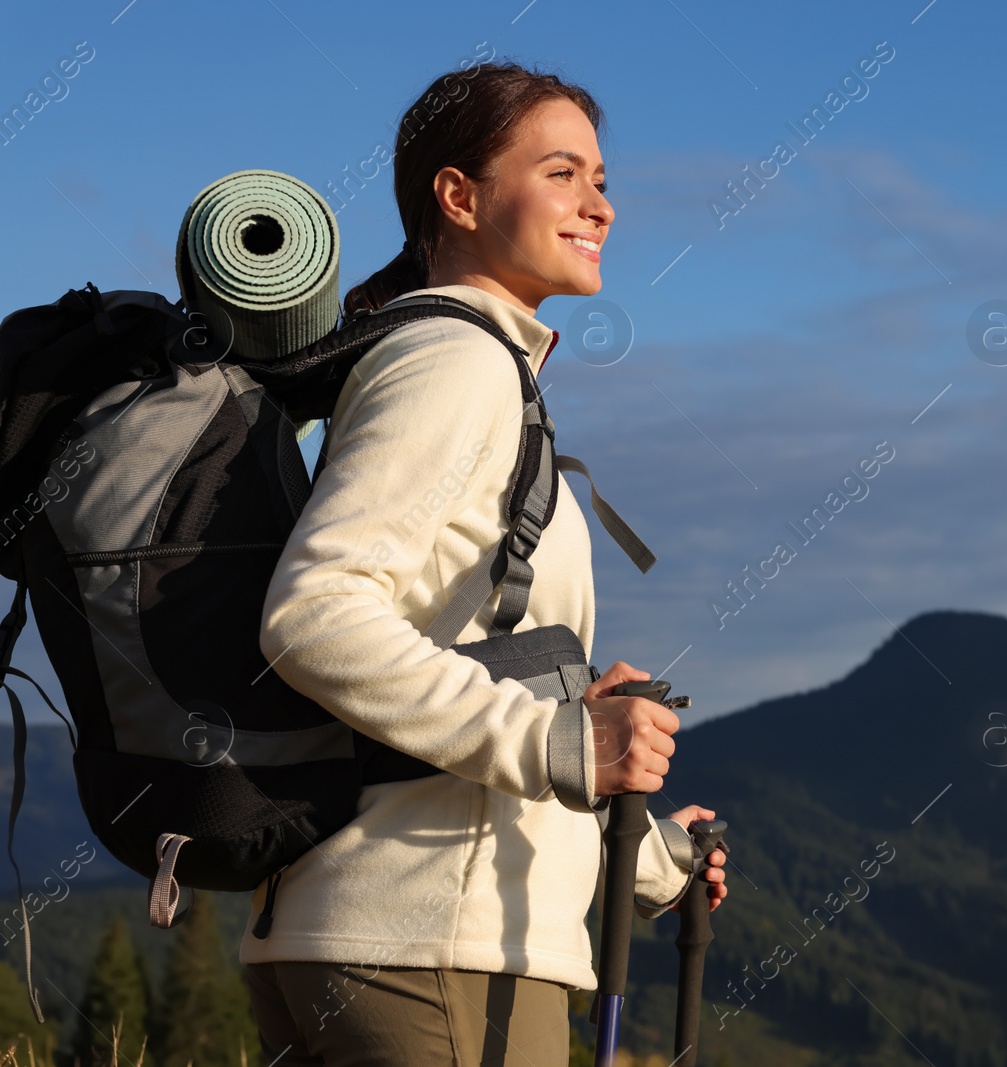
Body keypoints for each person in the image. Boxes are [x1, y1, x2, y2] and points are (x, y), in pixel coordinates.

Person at [240, 60, 726, 1066]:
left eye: (599, 177)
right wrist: (558, 741)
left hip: (384, 938)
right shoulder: (456, 364)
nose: (600, 203)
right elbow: (316, 612)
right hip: (433, 957)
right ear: (458, 197)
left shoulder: (462, 364)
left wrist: (638, 840)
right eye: (562, 172)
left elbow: (457, 680)